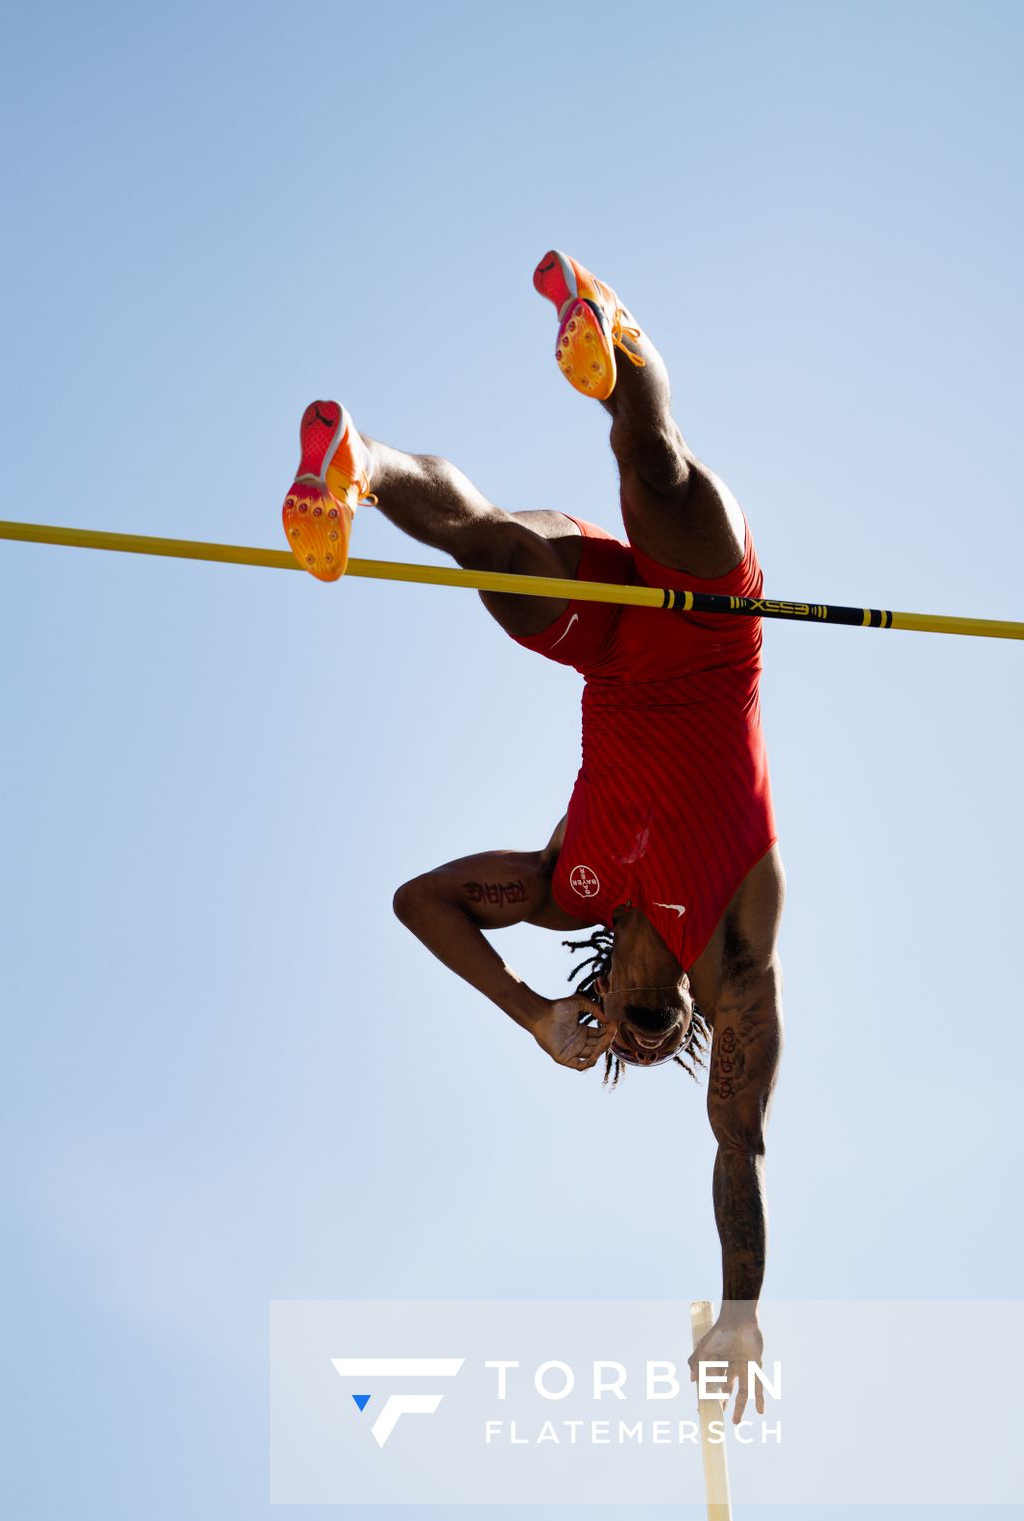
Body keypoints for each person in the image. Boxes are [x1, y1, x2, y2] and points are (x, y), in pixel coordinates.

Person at [282, 252, 783, 1421]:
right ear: (689, 1009)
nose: (642, 1024)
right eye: (664, 1031)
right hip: (712, 628)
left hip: (607, 644)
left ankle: (352, 463)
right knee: (650, 461)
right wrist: (743, 1312)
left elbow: (419, 901)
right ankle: (610, 343)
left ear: (600, 986)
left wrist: (529, 1016)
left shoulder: (568, 889)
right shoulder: (732, 957)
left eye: (620, 1029)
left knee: (495, 555)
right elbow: (739, 1148)